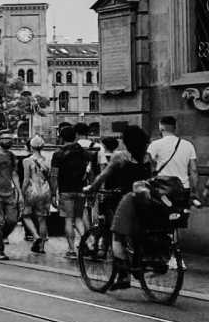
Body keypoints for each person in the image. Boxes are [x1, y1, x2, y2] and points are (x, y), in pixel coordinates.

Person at [84, 124, 151, 287]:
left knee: (117, 236)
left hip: (125, 201)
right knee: (138, 233)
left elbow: (103, 176)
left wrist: (91, 188)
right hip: (145, 200)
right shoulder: (148, 157)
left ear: (126, 141)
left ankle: (123, 275)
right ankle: (138, 262)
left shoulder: (120, 156)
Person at [49, 122, 91, 261]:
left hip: (65, 190)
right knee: (78, 218)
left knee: (68, 219)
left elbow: (54, 175)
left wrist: (53, 193)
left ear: (61, 138)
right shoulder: (84, 152)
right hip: (81, 189)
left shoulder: (58, 154)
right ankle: (86, 244)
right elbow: (88, 171)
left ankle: (72, 249)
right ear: (75, 136)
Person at [146, 116, 199, 208]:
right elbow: (194, 170)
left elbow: (147, 164)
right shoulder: (188, 145)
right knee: (182, 214)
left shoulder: (155, 145)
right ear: (175, 128)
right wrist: (194, 191)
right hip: (183, 189)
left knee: (163, 214)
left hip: (163, 189)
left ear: (161, 128)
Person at [20, 135, 50, 254]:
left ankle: (36, 236)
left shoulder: (27, 161)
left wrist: (21, 193)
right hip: (45, 191)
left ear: (31, 147)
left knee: (25, 215)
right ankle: (42, 247)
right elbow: (50, 178)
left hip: (32, 191)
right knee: (42, 219)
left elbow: (26, 180)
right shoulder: (47, 161)